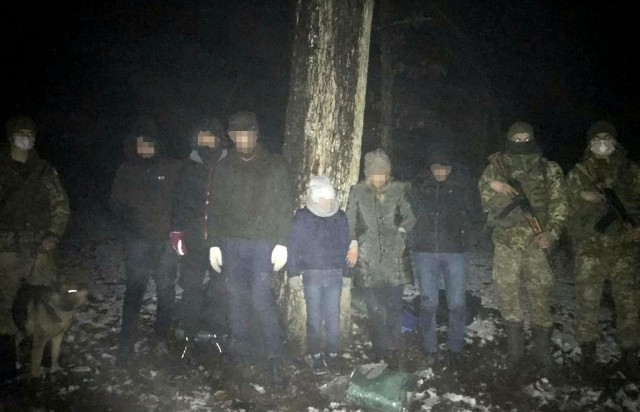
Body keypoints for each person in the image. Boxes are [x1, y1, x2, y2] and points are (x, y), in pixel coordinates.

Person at [207, 111, 294, 384]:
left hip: (263, 243)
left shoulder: (275, 165)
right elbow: (215, 208)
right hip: (231, 242)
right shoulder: (223, 168)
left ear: (256, 135)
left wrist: (282, 242)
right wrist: (213, 244)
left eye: (248, 134)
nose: (243, 139)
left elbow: (284, 205)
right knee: (235, 298)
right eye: (238, 135)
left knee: (260, 296)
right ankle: (242, 354)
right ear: (231, 137)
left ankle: (275, 355)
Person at [478, 121, 568, 375]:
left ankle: (542, 351)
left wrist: (552, 233)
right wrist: (495, 187)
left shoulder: (548, 168)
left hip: (538, 242)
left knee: (541, 294)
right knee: (507, 293)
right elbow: (484, 201)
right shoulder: (495, 168)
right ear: (509, 140)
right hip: (507, 242)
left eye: (525, 138)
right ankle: (515, 350)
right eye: (516, 139)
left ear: (533, 139)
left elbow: (560, 203)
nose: (521, 142)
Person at [565, 120, 640, 379]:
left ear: (615, 141)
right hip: (590, 250)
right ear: (589, 143)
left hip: (624, 250)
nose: (602, 142)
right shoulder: (580, 173)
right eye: (597, 138)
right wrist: (581, 197)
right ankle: (588, 355)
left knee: (629, 304)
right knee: (588, 304)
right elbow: (564, 207)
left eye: (607, 137)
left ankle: (631, 355)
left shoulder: (631, 171)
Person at [0, 115, 70, 380]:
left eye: (30, 135)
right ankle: (8, 358)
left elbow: (60, 205)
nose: (26, 139)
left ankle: (46, 355)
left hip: (40, 247)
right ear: (11, 137)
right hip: (6, 247)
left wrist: (53, 234)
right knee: (6, 303)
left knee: (48, 298)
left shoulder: (43, 170)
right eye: (21, 134)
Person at [109, 116, 182, 362]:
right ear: (133, 145)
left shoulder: (173, 168)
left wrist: (176, 230)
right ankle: (125, 344)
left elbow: (184, 200)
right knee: (134, 290)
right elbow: (116, 205)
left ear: (157, 144)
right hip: (137, 241)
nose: (144, 148)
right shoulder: (126, 170)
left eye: (149, 143)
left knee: (166, 291)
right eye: (140, 143)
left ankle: (161, 338)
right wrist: (129, 227)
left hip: (165, 242)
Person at [345, 148, 416, 368]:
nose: (378, 177)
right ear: (368, 173)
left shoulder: (398, 190)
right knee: (374, 308)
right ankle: (379, 349)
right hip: (368, 258)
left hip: (394, 259)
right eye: (374, 173)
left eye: (382, 172)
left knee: (394, 306)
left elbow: (410, 217)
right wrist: (353, 243)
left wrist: (400, 234)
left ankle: (393, 349)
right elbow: (350, 220)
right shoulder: (357, 191)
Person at [408, 146, 473, 367]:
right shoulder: (419, 187)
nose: (440, 171)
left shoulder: (461, 187)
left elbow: (476, 213)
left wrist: (465, 234)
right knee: (428, 302)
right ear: (430, 168)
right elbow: (407, 213)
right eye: (436, 167)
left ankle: (456, 347)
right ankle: (429, 347)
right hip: (425, 252)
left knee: (457, 303)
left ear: (451, 168)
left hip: (455, 252)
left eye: (444, 167)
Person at [171, 117, 230, 346]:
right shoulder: (189, 166)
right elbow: (179, 200)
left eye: (210, 137)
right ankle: (189, 331)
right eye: (201, 137)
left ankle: (217, 330)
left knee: (220, 286)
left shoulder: (228, 165)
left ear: (218, 139)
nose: (206, 141)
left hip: (222, 238)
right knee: (191, 285)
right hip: (193, 237)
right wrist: (177, 231)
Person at [287, 175, 350, 375]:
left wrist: (348, 273)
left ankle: (333, 354)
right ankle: (315, 355)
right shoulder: (303, 217)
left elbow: (346, 245)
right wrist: (293, 273)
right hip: (311, 274)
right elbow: (293, 246)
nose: (327, 202)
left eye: (330, 198)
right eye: (322, 198)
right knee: (314, 317)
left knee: (333, 317)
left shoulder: (340, 217)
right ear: (314, 198)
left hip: (334, 274)